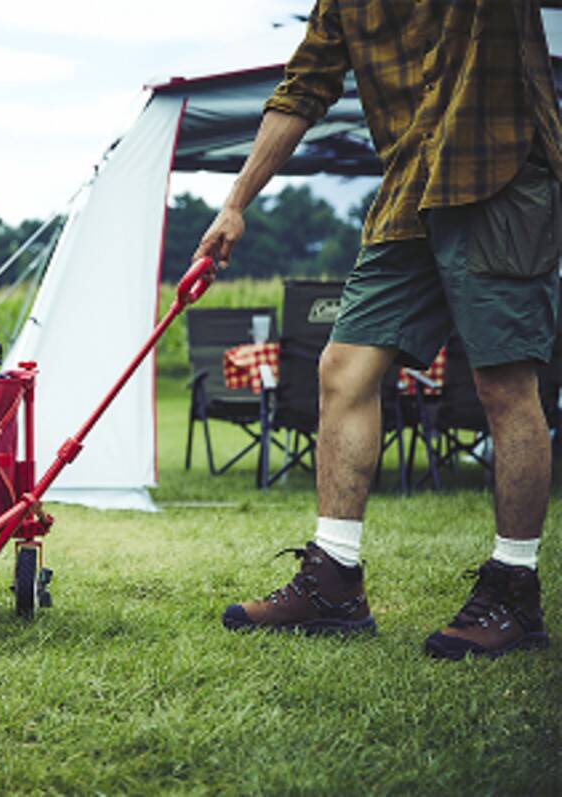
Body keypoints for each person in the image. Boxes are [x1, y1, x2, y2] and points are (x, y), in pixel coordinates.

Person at [194, 0, 562, 659]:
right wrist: (234, 203)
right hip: (408, 193)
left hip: (498, 173)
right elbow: (301, 90)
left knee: (503, 383)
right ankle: (334, 581)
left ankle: (514, 589)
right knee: (343, 368)